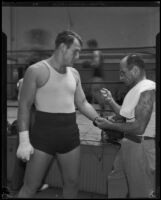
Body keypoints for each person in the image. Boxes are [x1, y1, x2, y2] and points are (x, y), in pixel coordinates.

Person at [16, 30, 100, 199]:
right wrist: (24, 141)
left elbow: (82, 103)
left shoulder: (74, 74)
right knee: (30, 187)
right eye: (75, 51)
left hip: (70, 137)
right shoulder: (36, 70)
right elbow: (24, 106)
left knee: (72, 184)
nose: (77, 56)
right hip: (43, 138)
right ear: (62, 47)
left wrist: (99, 120)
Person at [96, 54, 156, 198]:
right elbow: (126, 114)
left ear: (135, 70)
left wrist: (110, 125)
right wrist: (110, 100)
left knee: (140, 191)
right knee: (116, 181)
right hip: (129, 143)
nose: (121, 78)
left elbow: (139, 127)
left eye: (123, 73)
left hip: (141, 145)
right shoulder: (137, 89)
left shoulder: (147, 89)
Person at [10, 63, 49, 193]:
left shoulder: (21, 81)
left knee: (23, 152)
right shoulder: (33, 81)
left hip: (24, 114)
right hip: (33, 114)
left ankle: (17, 185)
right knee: (37, 152)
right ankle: (32, 185)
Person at [90, 50, 106, 116]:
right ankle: (103, 109)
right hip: (99, 76)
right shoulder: (98, 54)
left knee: (95, 92)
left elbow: (96, 64)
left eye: (95, 56)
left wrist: (90, 64)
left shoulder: (97, 54)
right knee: (100, 92)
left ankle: (103, 107)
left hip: (97, 77)